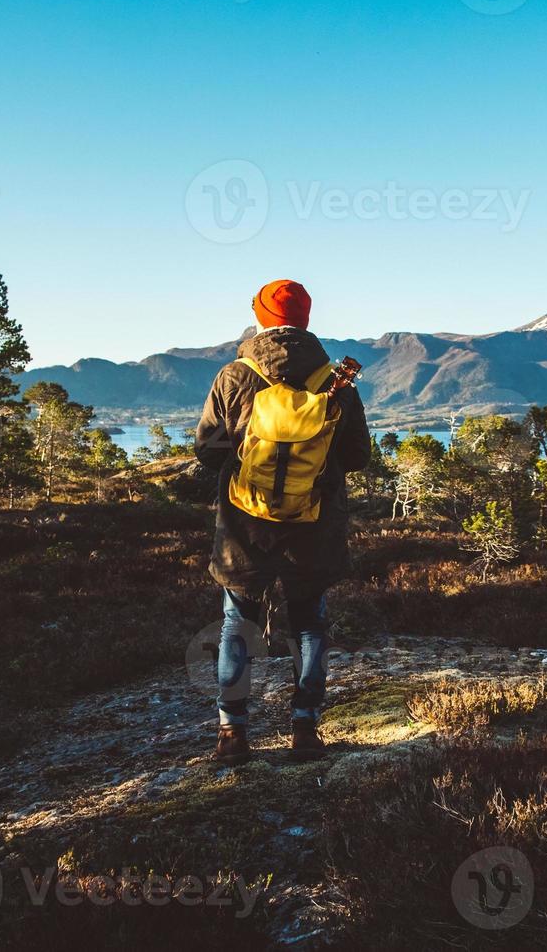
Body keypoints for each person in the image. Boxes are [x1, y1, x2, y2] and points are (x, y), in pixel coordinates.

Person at [194, 280, 371, 764]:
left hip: (244, 524)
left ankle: (233, 733)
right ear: (307, 321)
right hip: (314, 522)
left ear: (260, 317)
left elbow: (207, 451)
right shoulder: (335, 382)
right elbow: (357, 455)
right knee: (309, 622)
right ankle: (305, 728)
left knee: (237, 623)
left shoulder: (235, 375)